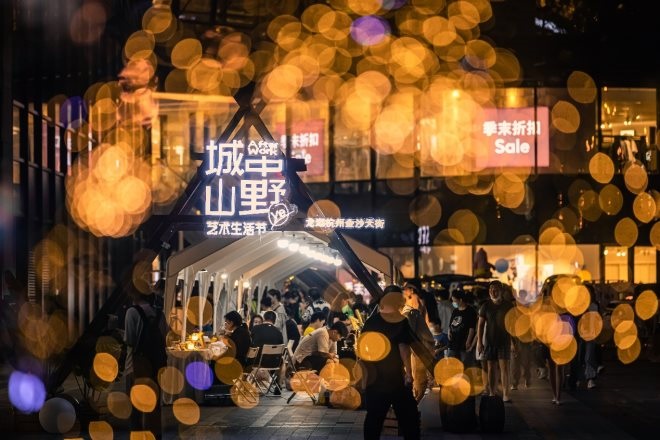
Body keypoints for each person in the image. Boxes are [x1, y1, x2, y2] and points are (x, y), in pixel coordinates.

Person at [361, 285, 419, 440]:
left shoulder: (371, 322)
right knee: (409, 419)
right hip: (396, 379)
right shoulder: (400, 321)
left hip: (374, 378)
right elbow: (403, 348)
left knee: (374, 419)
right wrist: (409, 374)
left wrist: (365, 378)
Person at [124, 290, 167, 438]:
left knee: (135, 407)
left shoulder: (132, 312)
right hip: (156, 365)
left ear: (134, 295)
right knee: (154, 404)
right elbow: (164, 338)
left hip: (135, 365)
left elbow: (130, 340)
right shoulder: (160, 314)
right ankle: (155, 435)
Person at [476, 280, 514, 403]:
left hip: (504, 341)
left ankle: (506, 394)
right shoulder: (485, 306)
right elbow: (480, 325)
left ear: (501, 291)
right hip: (489, 341)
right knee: (491, 367)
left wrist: (513, 342)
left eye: (496, 290)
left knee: (504, 368)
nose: (493, 292)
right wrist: (479, 342)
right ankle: (492, 392)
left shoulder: (508, 305)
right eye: (491, 290)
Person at [401, 283, 435, 401]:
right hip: (421, 348)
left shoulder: (409, 312)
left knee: (419, 379)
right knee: (418, 379)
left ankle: (415, 405)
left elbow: (407, 334)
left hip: (420, 349)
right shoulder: (409, 311)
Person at [447, 289, 478, 365]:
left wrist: (468, 341)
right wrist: (449, 331)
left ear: (460, 300)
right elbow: (451, 323)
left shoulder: (471, 311)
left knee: (465, 365)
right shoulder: (455, 311)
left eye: (454, 301)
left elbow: (472, 328)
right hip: (453, 343)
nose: (453, 303)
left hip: (463, 344)